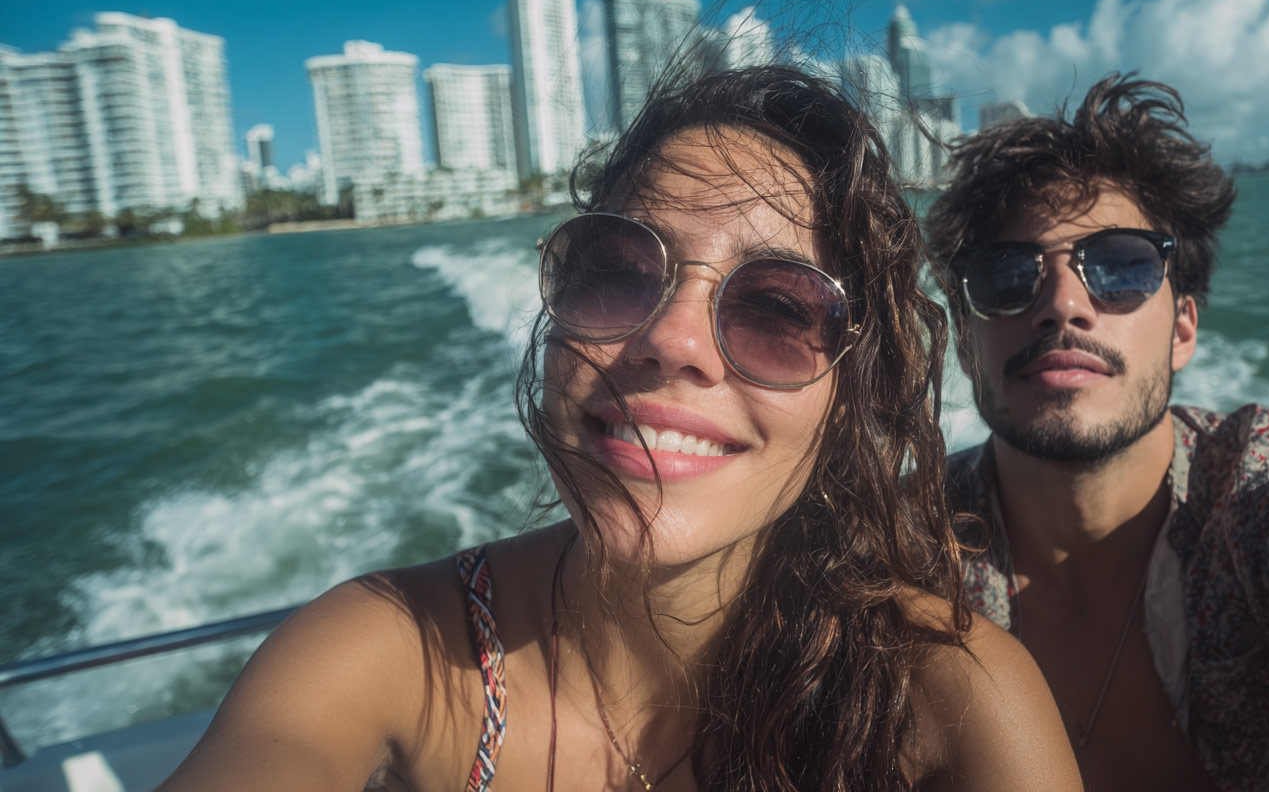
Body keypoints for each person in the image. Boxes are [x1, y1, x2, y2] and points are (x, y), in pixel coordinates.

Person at [160, 66, 1081, 792]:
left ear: (852, 395)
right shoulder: (388, 651)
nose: (671, 341)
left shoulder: (952, 697)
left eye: (778, 307)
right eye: (616, 269)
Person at [923, 72, 1269, 791]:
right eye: (1007, 275)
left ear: (1182, 330)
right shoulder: (903, 545)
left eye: (1119, 266)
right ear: (964, 342)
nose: (1062, 304)